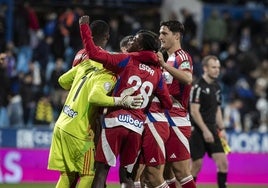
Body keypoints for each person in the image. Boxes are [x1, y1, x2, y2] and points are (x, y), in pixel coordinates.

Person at [47, 20, 144, 188]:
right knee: (90, 174)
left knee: (67, 175)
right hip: (80, 130)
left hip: (62, 124)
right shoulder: (109, 74)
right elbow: (95, 97)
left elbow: (62, 81)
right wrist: (121, 100)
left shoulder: (87, 62)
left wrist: (80, 85)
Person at [79, 15, 173, 188]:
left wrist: (84, 27)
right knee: (127, 177)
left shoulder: (127, 60)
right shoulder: (158, 73)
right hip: (137, 128)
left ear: (142, 46)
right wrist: (150, 97)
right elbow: (167, 103)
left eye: (136, 39)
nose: (132, 41)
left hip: (116, 122)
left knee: (101, 172)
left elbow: (93, 53)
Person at [158, 20, 196, 188]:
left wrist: (164, 65)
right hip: (165, 118)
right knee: (166, 172)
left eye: (164, 33)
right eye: (160, 33)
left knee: (181, 172)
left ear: (177, 36)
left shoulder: (182, 56)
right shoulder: (170, 58)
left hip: (176, 119)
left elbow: (188, 78)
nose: (160, 37)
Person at [189, 55, 228, 188]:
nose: (217, 70)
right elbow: (194, 111)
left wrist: (222, 129)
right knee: (196, 165)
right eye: (213, 67)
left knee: (223, 163)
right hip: (198, 131)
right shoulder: (198, 87)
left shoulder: (217, 87)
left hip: (213, 129)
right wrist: (205, 130)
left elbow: (217, 109)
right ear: (205, 68)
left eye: (218, 67)